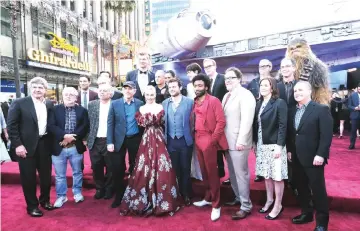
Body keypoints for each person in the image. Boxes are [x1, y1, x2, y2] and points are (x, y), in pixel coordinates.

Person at [120, 85, 181, 216]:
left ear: (155, 94)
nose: (150, 97)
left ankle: (163, 199)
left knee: (162, 165)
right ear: (144, 95)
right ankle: (145, 198)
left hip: (159, 138)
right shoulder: (141, 108)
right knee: (143, 166)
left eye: (152, 94)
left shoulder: (161, 107)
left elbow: (165, 122)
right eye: (147, 95)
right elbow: (140, 124)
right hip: (146, 139)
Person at [287, 81, 332, 231]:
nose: (297, 93)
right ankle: (306, 214)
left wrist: (321, 154)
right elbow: (293, 134)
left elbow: (326, 136)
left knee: (318, 189)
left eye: (300, 90)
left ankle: (321, 223)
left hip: (314, 158)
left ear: (309, 91)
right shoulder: (293, 110)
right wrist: (290, 151)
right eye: (295, 91)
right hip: (297, 157)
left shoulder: (321, 109)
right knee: (301, 188)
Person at [7, 77, 55, 217]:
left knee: (46, 177)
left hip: (44, 145)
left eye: (40, 87)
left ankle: (45, 201)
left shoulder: (49, 104)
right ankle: (32, 207)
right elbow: (12, 126)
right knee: (29, 178)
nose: (37, 90)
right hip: (25, 147)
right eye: (34, 87)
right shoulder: (20, 103)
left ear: (45, 90)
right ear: (30, 89)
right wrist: (18, 145)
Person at [192, 74, 228, 221]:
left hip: (209, 139)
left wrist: (213, 141)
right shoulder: (193, 102)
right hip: (197, 139)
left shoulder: (214, 101)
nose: (197, 88)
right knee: (204, 173)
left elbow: (221, 122)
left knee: (213, 174)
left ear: (206, 87)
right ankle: (208, 197)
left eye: (200, 85)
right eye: (195, 86)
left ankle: (216, 205)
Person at [222, 67, 255, 219]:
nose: (227, 80)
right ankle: (238, 197)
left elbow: (247, 120)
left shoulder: (245, 95)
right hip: (227, 142)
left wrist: (241, 140)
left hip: (239, 142)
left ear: (239, 79)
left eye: (231, 78)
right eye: (226, 78)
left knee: (241, 173)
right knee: (233, 172)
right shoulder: (226, 96)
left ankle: (246, 205)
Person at [47, 87, 89, 208]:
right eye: (66, 94)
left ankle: (77, 192)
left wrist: (73, 137)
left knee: (77, 172)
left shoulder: (82, 110)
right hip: (58, 147)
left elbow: (85, 126)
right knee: (60, 175)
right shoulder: (54, 110)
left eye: (72, 94)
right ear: (62, 96)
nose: (69, 96)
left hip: (75, 146)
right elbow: (51, 126)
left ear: (76, 97)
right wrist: (64, 136)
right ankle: (61, 196)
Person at [253, 78, 288, 220]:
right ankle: (269, 200)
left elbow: (282, 126)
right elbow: (256, 126)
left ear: (272, 87)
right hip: (262, 145)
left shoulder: (279, 103)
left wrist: (279, 146)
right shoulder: (259, 103)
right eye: (261, 85)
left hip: (275, 145)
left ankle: (278, 205)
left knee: (277, 176)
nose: (263, 87)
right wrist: (255, 142)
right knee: (266, 175)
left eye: (266, 85)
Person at [107, 81, 144, 208]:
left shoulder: (140, 104)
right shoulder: (115, 104)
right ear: (122, 90)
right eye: (125, 88)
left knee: (135, 167)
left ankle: (134, 194)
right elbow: (110, 123)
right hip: (118, 140)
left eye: (130, 89)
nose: (128, 91)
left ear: (134, 91)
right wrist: (110, 142)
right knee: (118, 168)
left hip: (135, 139)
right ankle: (119, 196)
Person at [163, 78, 194, 206]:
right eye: (170, 87)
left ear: (180, 88)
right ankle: (175, 194)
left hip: (185, 141)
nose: (172, 89)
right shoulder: (165, 103)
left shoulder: (190, 102)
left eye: (174, 87)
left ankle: (186, 194)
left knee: (186, 168)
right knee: (174, 169)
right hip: (170, 141)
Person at [87, 84, 114, 200]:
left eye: (105, 91)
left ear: (110, 93)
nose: (102, 92)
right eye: (100, 90)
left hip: (110, 140)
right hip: (95, 140)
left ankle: (109, 189)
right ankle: (99, 189)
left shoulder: (115, 104)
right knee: (96, 166)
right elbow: (88, 122)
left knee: (110, 166)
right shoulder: (92, 105)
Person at [285, 38, 330, 105]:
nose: (294, 49)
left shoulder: (317, 66)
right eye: (291, 48)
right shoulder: (284, 69)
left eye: (298, 46)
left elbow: (321, 91)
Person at [203, 58, 228, 180]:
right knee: (215, 145)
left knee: (225, 146)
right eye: (205, 67)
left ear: (215, 66)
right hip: (209, 120)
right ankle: (221, 170)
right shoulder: (205, 82)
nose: (207, 68)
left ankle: (231, 173)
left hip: (223, 117)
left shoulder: (223, 79)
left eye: (209, 66)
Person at [185, 62, 203, 181]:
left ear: (196, 72)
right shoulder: (188, 86)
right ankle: (193, 172)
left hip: (200, 116)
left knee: (199, 147)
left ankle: (200, 173)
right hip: (190, 116)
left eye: (190, 72)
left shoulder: (202, 84)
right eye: (187, 73)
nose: (188, 75)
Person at [348, 83, 360, 149]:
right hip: (355, 115)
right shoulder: (352, 95)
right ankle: (352, 144)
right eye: (359, 88)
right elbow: (349, 106)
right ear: (357, 88)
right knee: (353, 131)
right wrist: (355, 108)